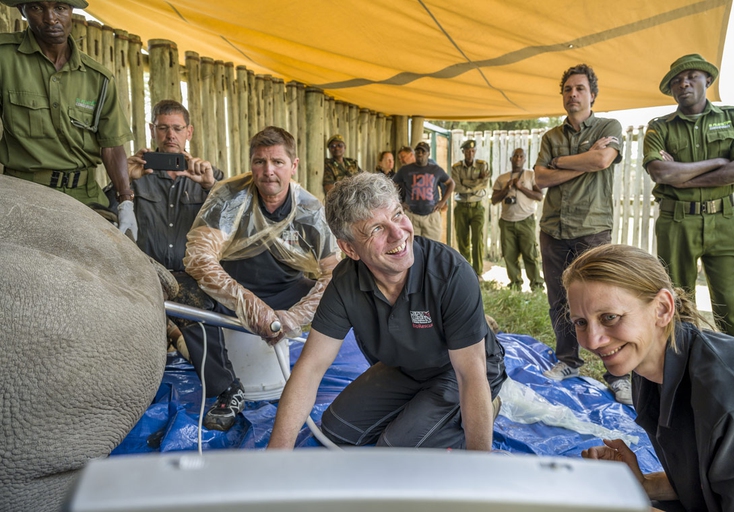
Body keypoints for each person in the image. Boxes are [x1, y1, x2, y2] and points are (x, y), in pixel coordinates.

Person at [268, 172, 506, 450]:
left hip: (460, 370)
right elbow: (310, 368)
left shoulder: (450, 272)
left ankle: (489, 404)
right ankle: (421, 408)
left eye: (397, 215)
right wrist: (276, 455)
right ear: (349, 248)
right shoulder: (346, 282)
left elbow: (469, 373)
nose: (398, 234)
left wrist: (481, 466)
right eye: (376, 229)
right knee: (336, 430)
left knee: (395, 448)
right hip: (407, 368)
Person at [565, 244, 734, 512]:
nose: (593, 340)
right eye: (580, 322)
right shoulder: (646, 366)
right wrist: (640, 484)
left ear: (662, 308)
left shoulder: (733, 404)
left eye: (610, 317)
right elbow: (711, 481)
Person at [180, 126, 339, 431]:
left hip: (286, 289)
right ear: (250, 162)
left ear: (294, 165)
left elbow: (333, 272)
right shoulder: (229, 195)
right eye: (259, 162)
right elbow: (200, 258)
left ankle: (308, 375)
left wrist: (293, 318)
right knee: (186, 294)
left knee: (341, 295)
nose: (268, 171)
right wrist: (249, 305)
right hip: (233, 291)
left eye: (278, 162)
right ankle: (226, 387)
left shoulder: (308, 208)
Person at [643, 54, 734, 344]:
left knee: (732, 307)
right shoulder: (660, 127)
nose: (683, 83)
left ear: (707, 80)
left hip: (724, 222)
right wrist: (719, 162)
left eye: (691, 77)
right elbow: (660, 170)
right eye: (676, 81)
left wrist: (683, 177)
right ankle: (682, 372)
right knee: (678, 305)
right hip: (676, 221)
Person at [533, 63, 631, 405]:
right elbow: (540, 180)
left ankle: (618, 375)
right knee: (559, 300)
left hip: (591, 230)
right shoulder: (551, 137)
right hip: (553, 230)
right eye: (567, 89)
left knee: (603, 302)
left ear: (592, 94)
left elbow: (602, 161)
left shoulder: (609, 126)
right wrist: (581, 160)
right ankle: (568, 361)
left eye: (579, 89)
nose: (572, 95)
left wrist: (560, 163)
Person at [0, 0, 136, 239]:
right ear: (22, 10)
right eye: (37, 8)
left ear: (71, 11)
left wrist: (125, 202)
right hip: (24, 191)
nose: (51, 18)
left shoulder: (99, 78)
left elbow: (112, 145)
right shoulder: (4, 58)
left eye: (60, 8)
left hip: (85, 196)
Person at [107, 99, 224, 357]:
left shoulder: (208, 175)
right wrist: (122, 183)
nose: (170, 135)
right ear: (152, 130)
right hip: (146, 274)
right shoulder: (135, 173)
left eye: (177, 128)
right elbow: (105, 218)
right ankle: (174, 336)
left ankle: (174, 337)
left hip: (190, 277)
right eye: (163, 128)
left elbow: (234, 223)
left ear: (188, 132)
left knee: (198, 316)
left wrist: (210, 186)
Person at [491, 148, 545, 291]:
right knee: (509, 255)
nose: (518, 158)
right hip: (507, 221)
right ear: (511, 158)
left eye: (521, 156)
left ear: (525, 159)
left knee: (530, 254)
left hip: (525, 220)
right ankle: (515, 284)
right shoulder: (502, 178)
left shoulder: (530, 175)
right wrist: (505, 190)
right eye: (515, 156)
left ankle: (537, 285)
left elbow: (539, 196)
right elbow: (494, 200)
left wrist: (520, 187)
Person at [392, 141, 455, 241]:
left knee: (433, 247)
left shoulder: (435, 169)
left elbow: (451, 183)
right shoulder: (405, 170)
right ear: (414, 153)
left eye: (423, 152)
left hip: (431, 216)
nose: (420, 154)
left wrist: (443, 201)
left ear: (428, 154)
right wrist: (399, 203)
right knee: (412, 247)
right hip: (412, 215)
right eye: (418, 151)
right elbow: (391, 184)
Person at [451, 139, 490, 278]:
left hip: (477, 207)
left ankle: (478, 272)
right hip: (461, 206)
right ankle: (466, 272)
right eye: (467, 151)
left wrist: (466, 183)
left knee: (477, 240)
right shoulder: (456, 167)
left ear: (475, 152)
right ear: (463, 152)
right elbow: (456, 187)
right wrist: (475, 182)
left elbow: (484, 185)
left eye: (472, 151)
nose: (470, 154)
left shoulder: (482, 165)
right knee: (462, 240)